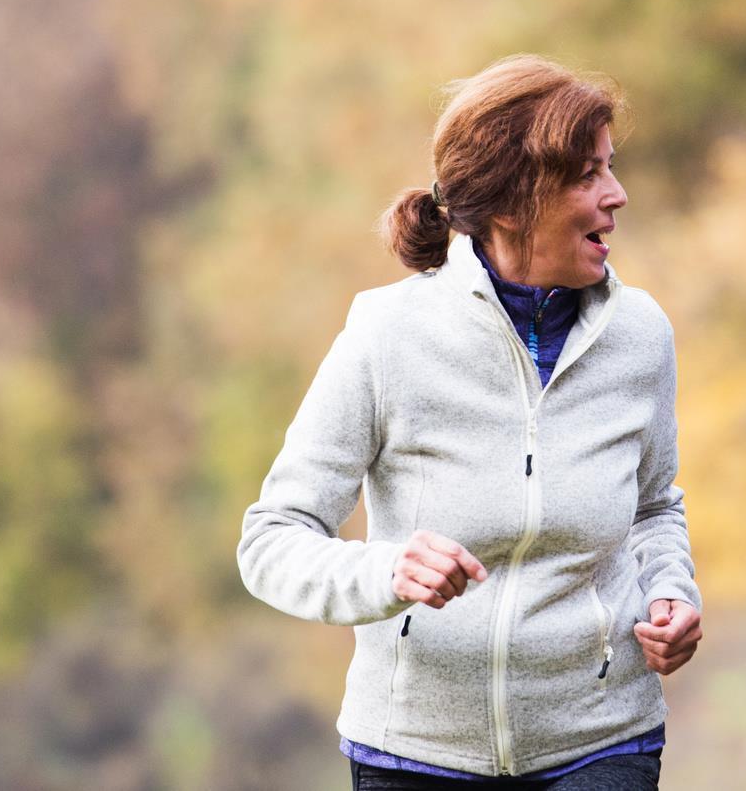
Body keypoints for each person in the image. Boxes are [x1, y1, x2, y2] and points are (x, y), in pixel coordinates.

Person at [239, 55, 702, 790]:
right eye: (587, 175)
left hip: (603, 739)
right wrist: (387, 570)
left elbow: (653, 508)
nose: (617, 195)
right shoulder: (386, 334)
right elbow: (271, 540)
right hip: (415, 752)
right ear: (512, 201)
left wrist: (671, 592)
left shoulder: (640, 334)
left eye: (610, 168)